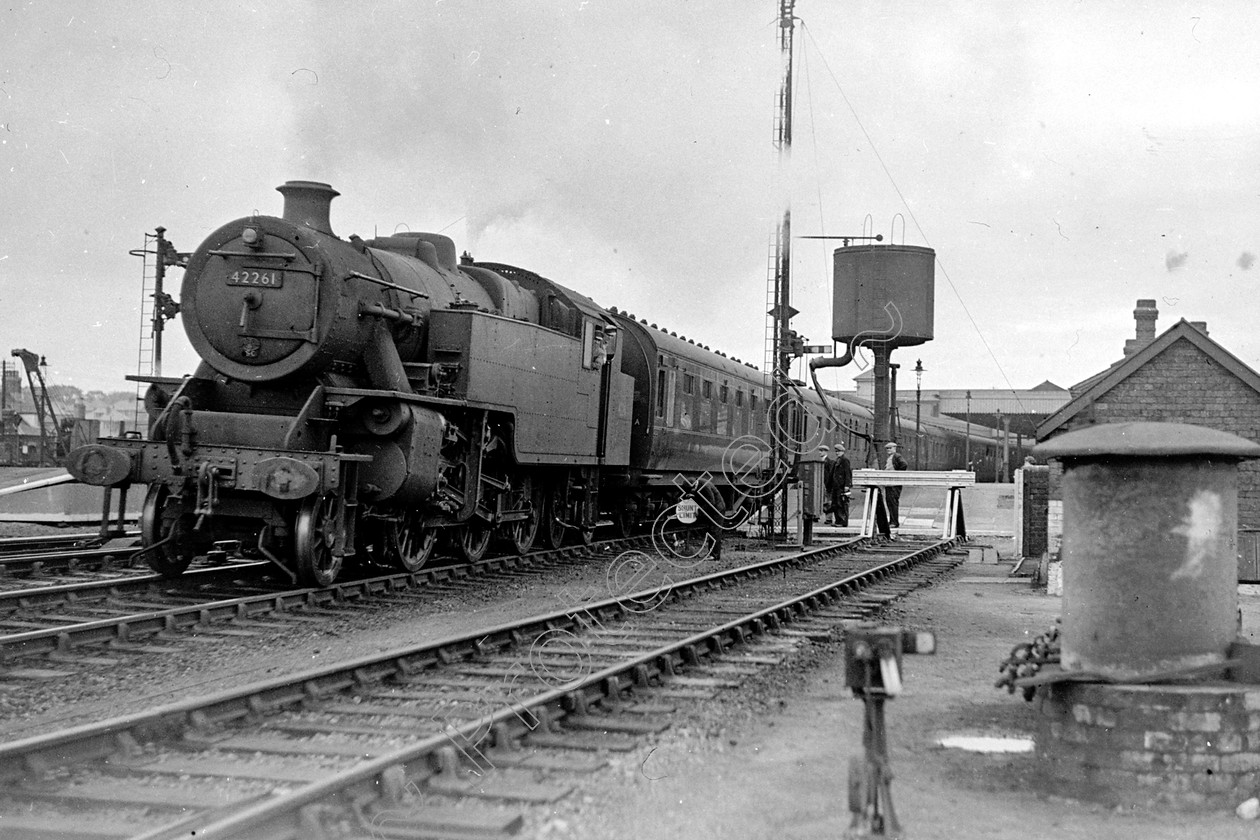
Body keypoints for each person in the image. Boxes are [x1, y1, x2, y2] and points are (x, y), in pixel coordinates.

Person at [822, 443, 853, 526]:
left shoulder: (844, 460)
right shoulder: (837, 461)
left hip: (841, 486)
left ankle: (842, 521)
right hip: (836, 487)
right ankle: (838, 521)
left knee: (841, 504)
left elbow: (847, 473)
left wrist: (847, 485)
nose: (837, 453)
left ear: (843, 451)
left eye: (839, 451)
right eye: (836, 451)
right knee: (835, 504)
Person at [883, 441, 909, 536]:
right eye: (887, 449)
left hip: (894, 484)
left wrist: (897, 475)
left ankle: (894, 522)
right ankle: (892, 521)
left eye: (890, 448)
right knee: (890, 502)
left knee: (893, 502)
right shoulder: (891, 457)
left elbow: (904, 464)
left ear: (894, 448)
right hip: (889, 484)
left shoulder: (897, 456)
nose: (888, 450)